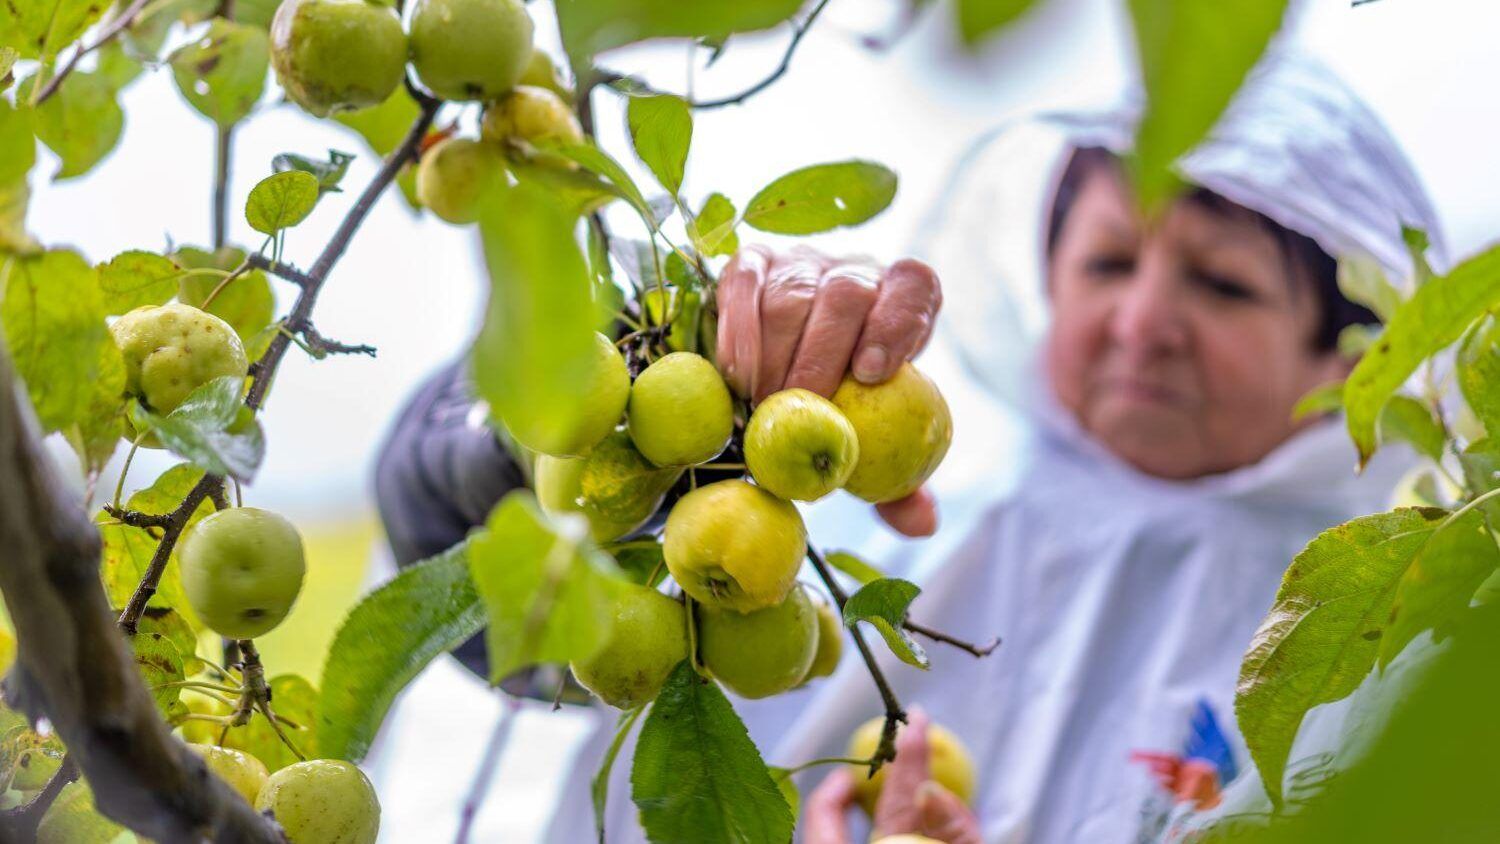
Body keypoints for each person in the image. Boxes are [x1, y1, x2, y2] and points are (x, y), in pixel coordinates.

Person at [373, 51, 1442, 842]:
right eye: (1110, 261)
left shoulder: (1372, 638)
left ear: (1345, 354)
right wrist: (672, 378)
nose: (1143, 322)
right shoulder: (863, 488)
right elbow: (487, 590)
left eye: (1220, 282)